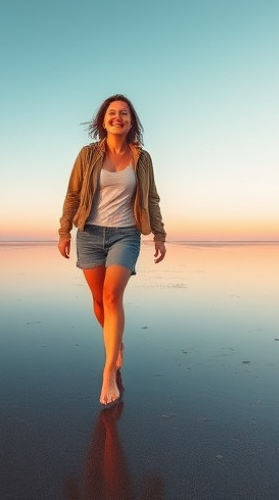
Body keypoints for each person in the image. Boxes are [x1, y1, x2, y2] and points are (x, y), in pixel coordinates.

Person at [58, 93, 167, 407]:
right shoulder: (88, 154)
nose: (118, 117)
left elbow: (153, 199)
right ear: (103, 120)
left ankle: (108, 371)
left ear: (131, 121)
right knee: (97, 300)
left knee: (111, 296)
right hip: (89, 234)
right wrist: (64, 230)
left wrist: (159, 234)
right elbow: (73, 194)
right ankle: (115, 343)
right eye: (112, 113)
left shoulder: (142, 158)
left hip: (126, 235)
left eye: (124, 113)